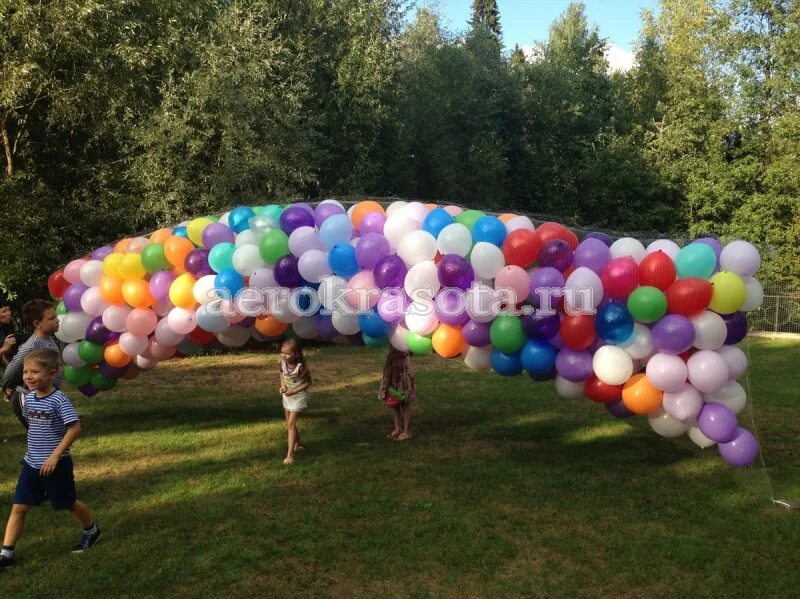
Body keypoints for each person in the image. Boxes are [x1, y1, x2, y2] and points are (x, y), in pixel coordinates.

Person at [0, 349, 101, 569]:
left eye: (35, 372)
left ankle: (92, 530)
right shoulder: (29, 398)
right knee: (19, 506)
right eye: (26, 371)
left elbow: (75, 428)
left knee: (68, 502)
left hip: (56, 464)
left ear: (53, 374)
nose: (28, 376)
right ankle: (6, 553)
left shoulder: (58, 400)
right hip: (30, 464)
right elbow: (36, 427)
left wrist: (55, 456)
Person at [2, 300, 61, 431]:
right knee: (43, 437)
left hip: (45, 398)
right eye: (52, 318)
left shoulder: (49, 339)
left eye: (56, 316)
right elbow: (12, 370)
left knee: (53, 437)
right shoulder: (32, 345)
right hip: (29, 399)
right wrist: (7, 388)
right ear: (37, 323)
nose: (57, 320)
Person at [278, 338, 312, 465]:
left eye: (287, 353)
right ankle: (297, 444)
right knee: (289, 423)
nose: (284, 355)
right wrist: (282, 386)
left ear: (296, 354)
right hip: (287, 395)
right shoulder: (281, 362)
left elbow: (308, 383)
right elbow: (281, 374)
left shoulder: (300, 367)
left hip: (298, 396)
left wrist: (293, 391)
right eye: (282, 352)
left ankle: (290, 455)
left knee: (291, 425)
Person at [378, 346, 416, 441]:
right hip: (392, 368)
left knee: (405, 402)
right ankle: (398, 428)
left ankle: (407, 432)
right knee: (392, 398)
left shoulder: (408, 332)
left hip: (402, 370)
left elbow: (411, 350)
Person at [0, 302, 17, 367]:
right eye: (4, 311)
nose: (9, 313)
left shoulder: (3, 328)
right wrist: (4, 348)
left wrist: (9, 368)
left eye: (9, 310)